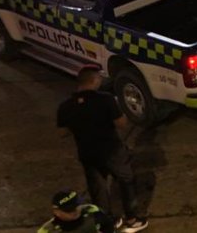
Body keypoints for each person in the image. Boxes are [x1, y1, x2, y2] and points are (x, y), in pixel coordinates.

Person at [56, 68, 148, 232]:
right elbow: (121, 123)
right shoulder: (105, 99)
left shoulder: (65, 106)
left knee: (98, 188)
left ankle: (107, 222)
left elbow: (62, 133)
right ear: (94, 81)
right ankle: (132, 219)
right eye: (99, 78)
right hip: (111, 150)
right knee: (126, 180)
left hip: (87, 153)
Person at [38, 190, 118, 233]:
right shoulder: (47, 230)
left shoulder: (91, 211)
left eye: (76, 206)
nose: (75, 211)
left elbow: (108, 226)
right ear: (56, 212)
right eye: (69, 210)